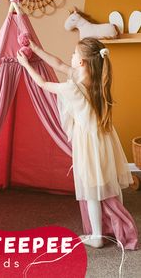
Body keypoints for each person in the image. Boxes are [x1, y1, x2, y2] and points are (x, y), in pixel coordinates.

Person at [17, 37, 135, 249]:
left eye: (74, 54)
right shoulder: (97, 79)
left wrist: (26, 65)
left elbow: (42, 84)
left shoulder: (72, 88)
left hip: (88, 145)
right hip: (104, 141)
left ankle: (98, 235)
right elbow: (59, 63)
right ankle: (113, 225)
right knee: (108, 183)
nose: (70, 57)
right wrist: (35, 48)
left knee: (91, 190)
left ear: (81, 63)